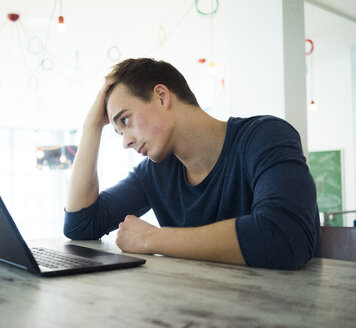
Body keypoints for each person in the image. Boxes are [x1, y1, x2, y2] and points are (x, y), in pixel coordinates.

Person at [64, 58, 321, 270]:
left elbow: (286, 237)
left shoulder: (265, 136)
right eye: (118, 132)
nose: (126, 142)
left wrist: (151, 239)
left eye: (126, 121)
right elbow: (80, 225)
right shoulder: (155, 172)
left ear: (162, 97)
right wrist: (91, 127)